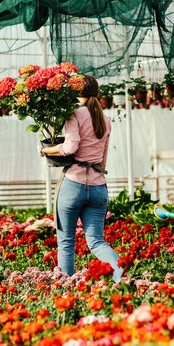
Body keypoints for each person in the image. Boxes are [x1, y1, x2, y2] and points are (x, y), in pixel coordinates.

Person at [40, 75, 123, 283]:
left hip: (73, 185)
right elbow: (103, 160)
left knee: (66, 242)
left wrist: (46, 150)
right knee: (96, 241)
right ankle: (120, 275)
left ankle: (66, 288)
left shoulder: (74, 114)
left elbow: (70, 147)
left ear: (76, 92)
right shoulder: (105, 119)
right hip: (98, 187)